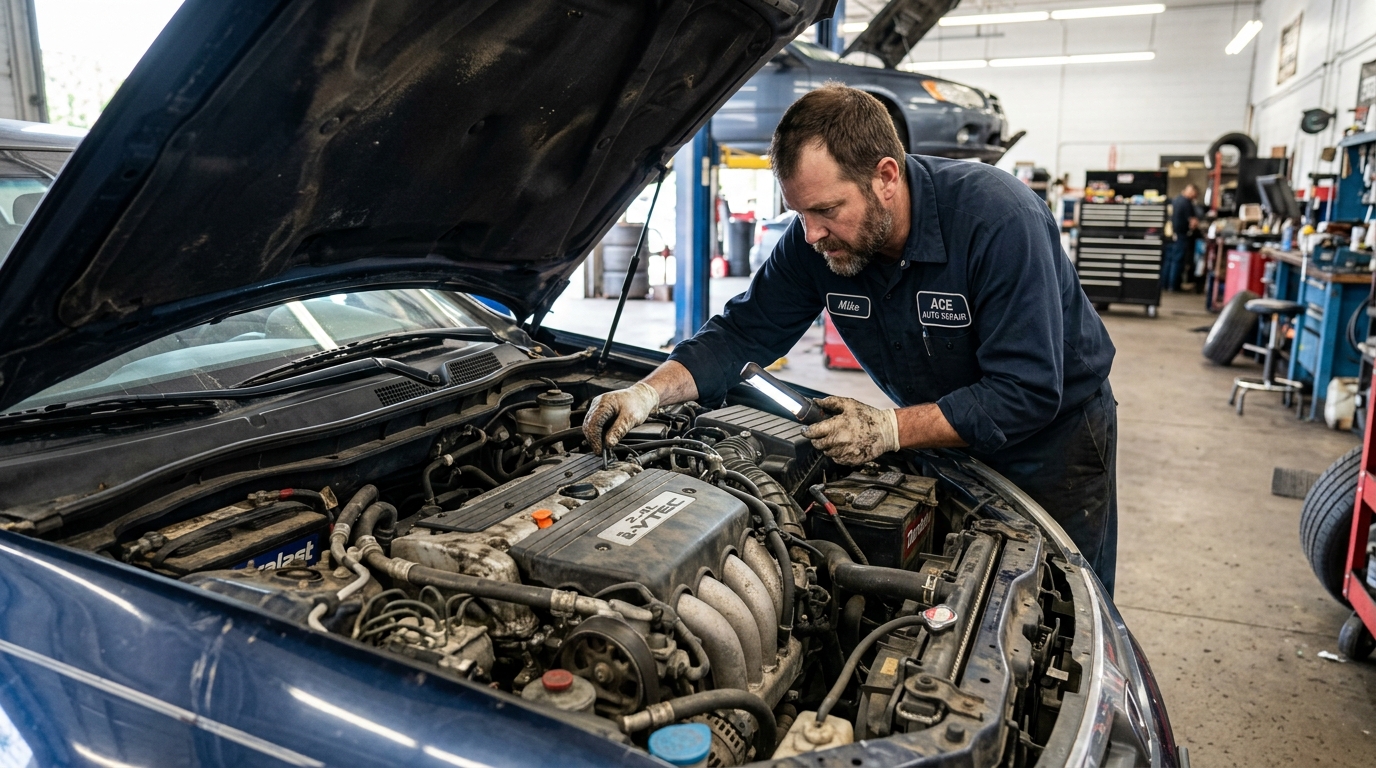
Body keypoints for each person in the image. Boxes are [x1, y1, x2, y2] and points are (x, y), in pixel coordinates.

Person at [583, 85, 1120, 592]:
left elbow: (1024, 391)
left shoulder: (996, 219)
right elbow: (742, 333)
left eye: (826, 210)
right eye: (799, 213)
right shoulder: (815, 241)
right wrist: (647, 393)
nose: (810, 233)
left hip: (1053, 448)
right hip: (938, 429)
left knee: (1056, 598)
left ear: (886, 176)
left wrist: (889, 428)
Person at [1163, 184, 1199, 292]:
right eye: (1195, 194)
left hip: (1169, 235)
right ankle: (1174, 286)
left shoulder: (1175, 200)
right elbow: (1193, 222)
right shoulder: (1187, 203)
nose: (1195, 197)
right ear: (1192, 192)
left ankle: (1164, 285)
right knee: (1177, 261)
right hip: (1180, 235)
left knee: (1168, 260)